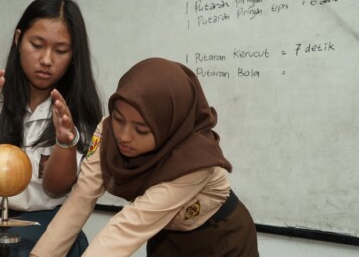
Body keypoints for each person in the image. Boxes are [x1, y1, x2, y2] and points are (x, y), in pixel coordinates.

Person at [30, 58, 259, 256]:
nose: (124, 136)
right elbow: (80, 199)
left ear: (167, 126)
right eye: (119, 119)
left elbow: (128, 227)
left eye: (141, 130)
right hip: (165, 234)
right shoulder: (108, 133)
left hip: (220, 237)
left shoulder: (195, 160)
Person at [0, 0, 103, 257]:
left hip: (48, 232)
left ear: (74, 55)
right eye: (37, 45)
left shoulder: (76, 112)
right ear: (18, 39)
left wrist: (64, 141)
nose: (47, 60)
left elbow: (55, 187)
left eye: (61, 50)